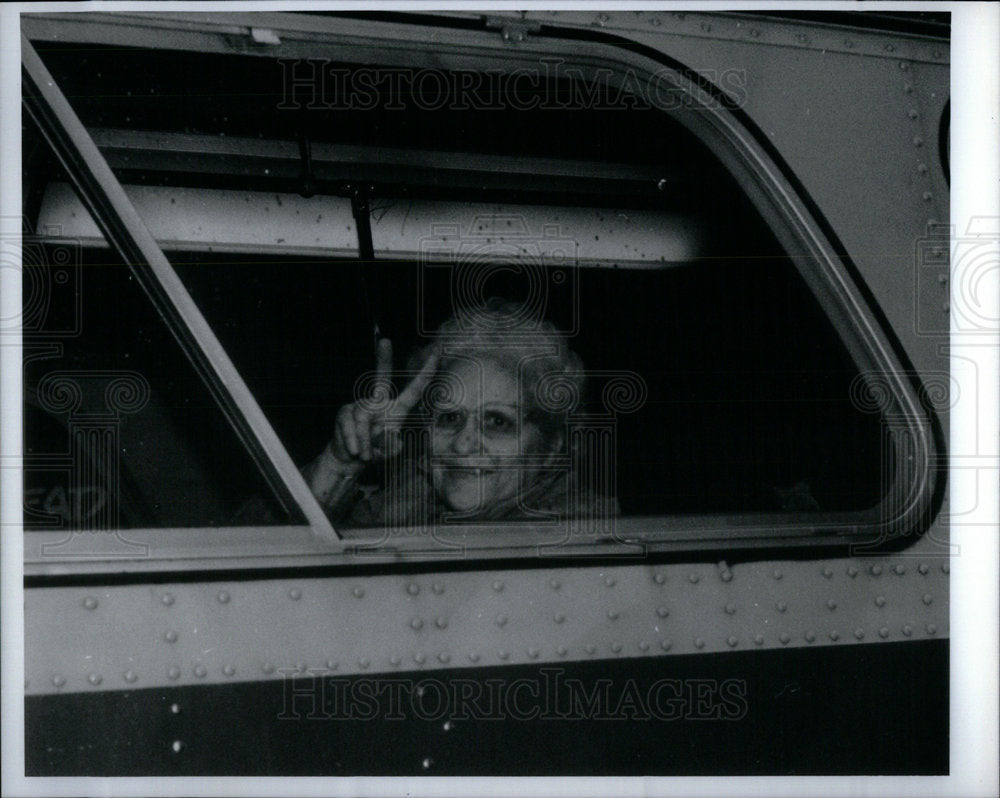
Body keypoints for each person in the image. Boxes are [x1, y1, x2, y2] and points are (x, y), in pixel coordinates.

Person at [303, 298, 617, 531]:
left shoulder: (582, 528)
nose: (463, 445)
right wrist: (338, 463)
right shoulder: (412, 497)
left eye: (497, 421)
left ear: (550, 449)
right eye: (450, 418)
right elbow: (262, 541)